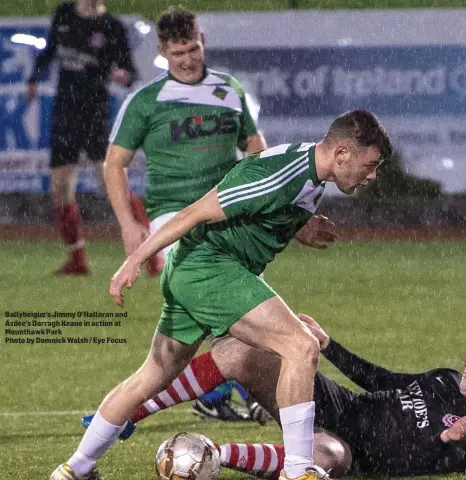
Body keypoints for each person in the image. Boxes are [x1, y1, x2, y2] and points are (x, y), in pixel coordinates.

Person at [49, 109, 393, 480]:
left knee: (151, 376)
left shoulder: (310, 173)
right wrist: (135, 258)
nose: (373, 175)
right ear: (343, 152)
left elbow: (270, 207)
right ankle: (299, 472)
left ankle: (76, 466)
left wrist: (302, 226)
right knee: (301, 346)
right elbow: (196, 212)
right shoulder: (285, 172)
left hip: (195, 272)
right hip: (209, 269)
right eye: (370, 164)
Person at [103, 5, 336, 421]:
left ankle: (217, 391)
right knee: (229, 313)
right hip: (173, 217)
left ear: (202, 41)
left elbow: (258, 152)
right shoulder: (146, 101)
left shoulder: (229, 90)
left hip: (232, 216)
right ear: (162, 52)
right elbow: (114, 163)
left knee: (244, 316)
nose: (188, 60)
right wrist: (128, 224)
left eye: (192, 49)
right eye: (177, 54)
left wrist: (288, 214)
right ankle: (208, 391)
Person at [115, 315, 466, 479]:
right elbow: (380, 379)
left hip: (350, 452)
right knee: (238, 351)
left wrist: (438, 441)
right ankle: (136, 409)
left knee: (321, 454)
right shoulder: (445, 380)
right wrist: (330, 347)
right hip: (340, 404)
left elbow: (405, 468)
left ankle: (211, 456)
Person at [25, 0, 137, 275]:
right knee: (59, 187)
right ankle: (77, 259)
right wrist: (33, 79)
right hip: (65, 112)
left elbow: (130, 71)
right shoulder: (64, 14)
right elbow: (50, 50)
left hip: (94, 113)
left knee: (110, 183)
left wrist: (124, 76)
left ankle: (151, 253)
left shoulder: (112, 27)